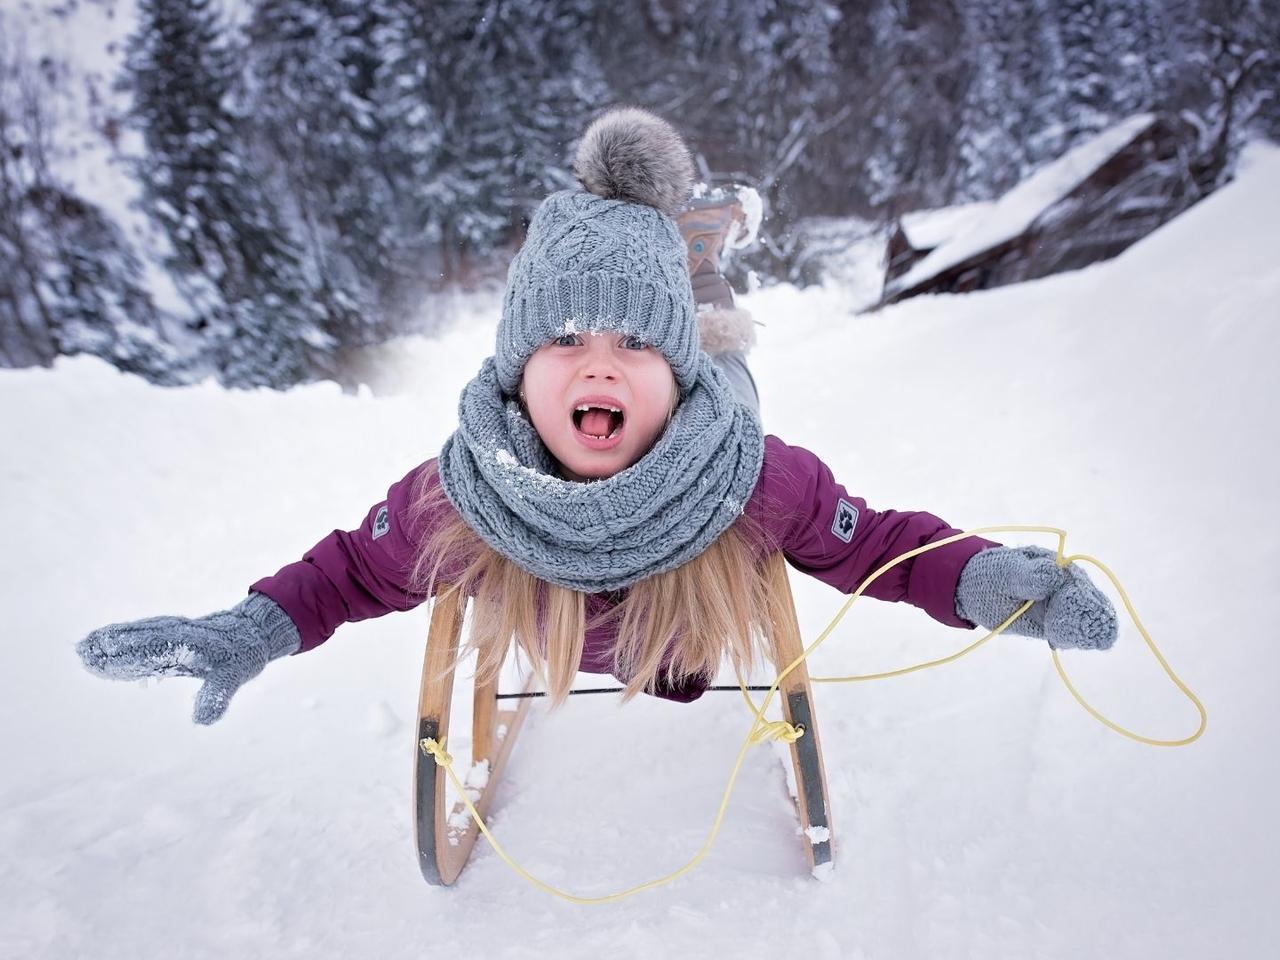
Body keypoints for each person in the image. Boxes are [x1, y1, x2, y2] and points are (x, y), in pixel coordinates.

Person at [76, 107, 1118, 725]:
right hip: (635, 442)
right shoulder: (464, 490)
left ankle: (692, 263)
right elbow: (351, 571)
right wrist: (251, 629)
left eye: (629, 350)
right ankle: (681, 253)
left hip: (700, 435)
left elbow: (881, 549)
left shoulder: (752, 479)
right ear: (517, 375)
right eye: (563, 343)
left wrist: (990, 584)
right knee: (668, 310)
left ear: (668, 377)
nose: (597, 369)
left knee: (708, 326)